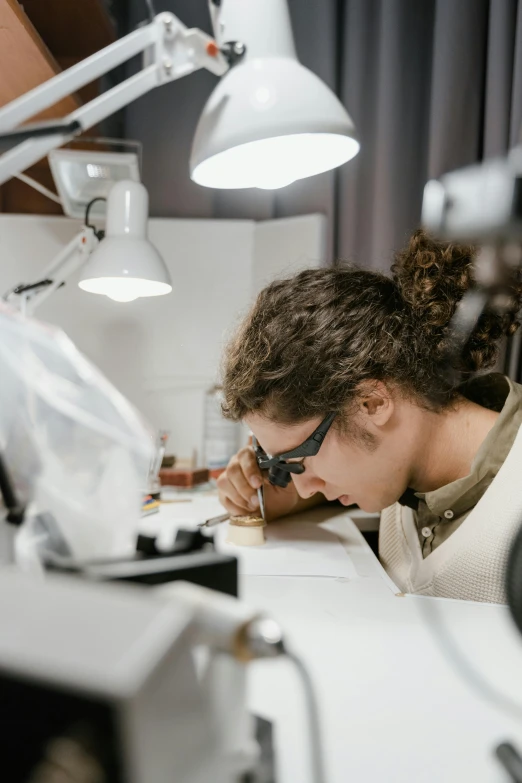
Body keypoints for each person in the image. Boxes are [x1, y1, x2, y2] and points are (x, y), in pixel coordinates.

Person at [217, 230, 522, 603]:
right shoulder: (398, 464)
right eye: (284, 464)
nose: (305, 485)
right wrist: (284, 498)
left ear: (372, 403)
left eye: (300, 460)